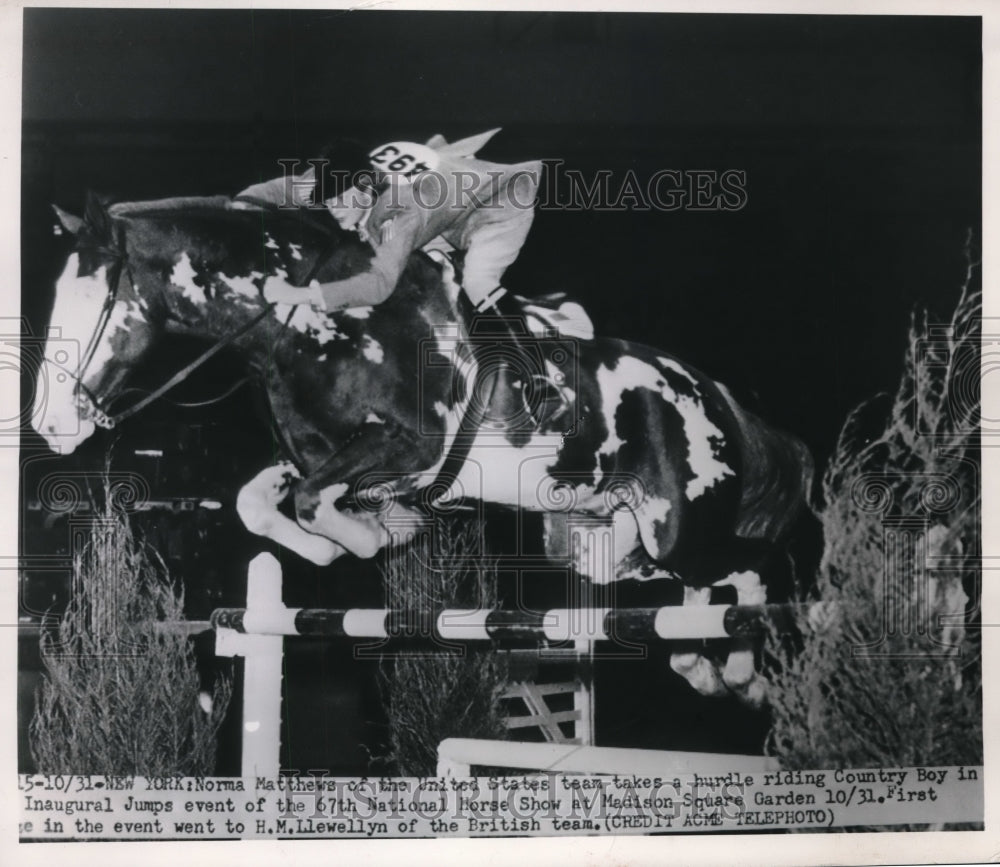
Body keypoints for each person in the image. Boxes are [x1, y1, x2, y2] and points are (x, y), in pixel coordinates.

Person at [238, 129, 554, 429]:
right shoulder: (344, 177)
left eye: (337, 200)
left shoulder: (397, 213)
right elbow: (285, 188)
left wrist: (299, 295)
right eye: (327, 199)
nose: (331, 209)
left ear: (364, 190)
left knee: (477, 281)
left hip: (496, 203)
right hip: (443, 204)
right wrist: (241, 204)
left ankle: (538, 381)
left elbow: (379, 286)